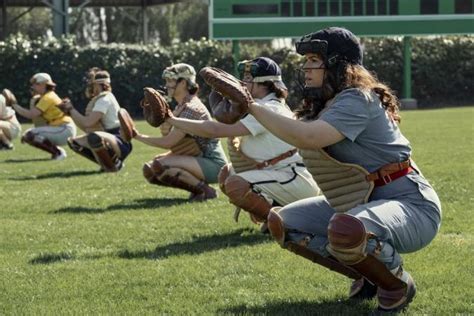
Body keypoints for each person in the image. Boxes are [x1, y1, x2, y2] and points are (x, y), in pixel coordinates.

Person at [238, 27, 441, 312]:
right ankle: (368, 275)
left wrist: (249, 106)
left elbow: (307, 137)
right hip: (362, 201)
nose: (306, 67)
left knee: (346, 228)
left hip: (410, 203)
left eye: (313, 59)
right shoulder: (323, 104)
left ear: (337, 64)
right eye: (306, 60)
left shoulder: (358, 98)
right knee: (281, 222)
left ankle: (396, 285)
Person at [167, 57, 320, 227]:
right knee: (227, 174)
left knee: (236, 184)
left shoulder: (267, 108)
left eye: (248, 79)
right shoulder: (262, 105)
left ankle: (283, 225)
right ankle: (277, 212)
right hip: (281, 173)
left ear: (264, 84)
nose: (242, 83)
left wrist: (171, 119)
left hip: (293, 178)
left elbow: (215, 130)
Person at [133, 63, 228, 201]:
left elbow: (168, 142)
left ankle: (206, 191)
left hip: (213, 163)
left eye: (170, 80)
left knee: (160, 166)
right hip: (200, 159)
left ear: (183, 83)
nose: (167, 85)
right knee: (150, 170)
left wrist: (136, 135)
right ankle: (197, 189)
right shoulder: (182, 105)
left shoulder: (190, 108)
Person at [58, 68, 132, 172]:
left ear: (97, 84)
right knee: (74, 142)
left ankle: (113, 164)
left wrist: (71, 109)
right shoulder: (104, 97)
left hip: (120, 139)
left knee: (94, 138)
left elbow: (88, 122)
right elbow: (86, 127)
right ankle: (108, 164)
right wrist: (70, 112)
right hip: (114, 138)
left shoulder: (104, 99)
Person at [12, 73, 76, 160]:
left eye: (36, 84)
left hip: (64, 129)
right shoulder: (46, 96)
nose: (33, 86)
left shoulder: (47, 97)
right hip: (61, 128)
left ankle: (58, 153)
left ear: (44, 85)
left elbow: (31, 115)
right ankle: (57, 151)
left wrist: (14, 105)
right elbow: (37, 121)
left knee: (30, 135)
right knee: (29, 135)